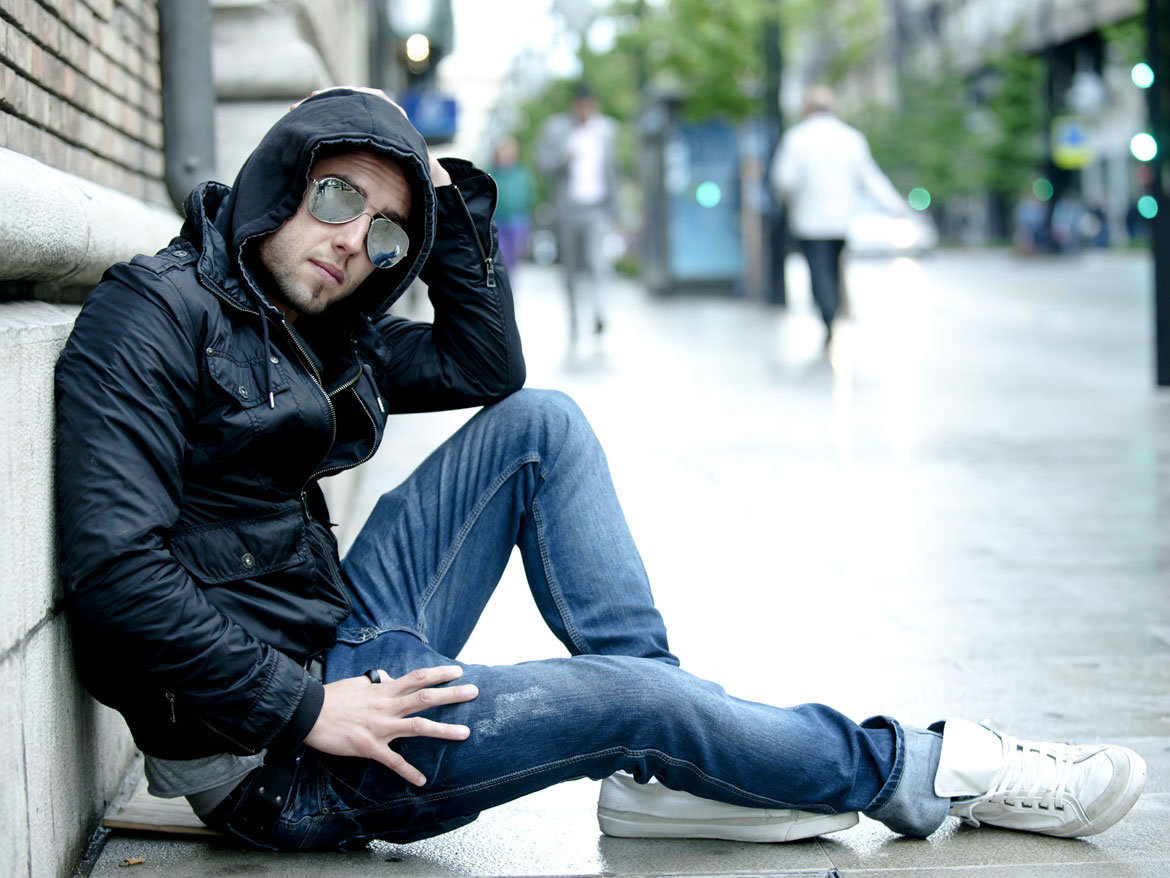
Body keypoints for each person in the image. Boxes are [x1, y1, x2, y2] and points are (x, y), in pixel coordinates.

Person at [55, 87, 1145, 854]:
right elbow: (113, 576)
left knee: (543, 425)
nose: (353, 245)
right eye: (338, 199)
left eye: (385, 237)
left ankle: (659, 764)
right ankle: (928, 765)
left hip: (337, 636)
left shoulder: (316, 320)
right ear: (278, 179)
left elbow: (489, 368)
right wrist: (303, 709)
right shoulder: (150, 316)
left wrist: (441, 206)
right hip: (281, 757)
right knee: (633, 696)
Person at [770, 85, 907, 346]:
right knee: (833, 266)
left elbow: (784, 180)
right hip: (841, 220)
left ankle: (828, 315)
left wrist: (787, 199)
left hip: (809, 221)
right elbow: (871, 176)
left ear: (807, 108)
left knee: (818, 270)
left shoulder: (797, 138)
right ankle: (833, 310)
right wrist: (895, 205)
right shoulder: (851, 138)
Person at [536, 84, 620, 341]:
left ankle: (599, 313)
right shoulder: (556, 129)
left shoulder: (607, 130)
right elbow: (541, 164)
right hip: (567, 209)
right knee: (570, 268)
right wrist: (564, 159)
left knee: (598, 262)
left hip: (596, 208)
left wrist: (617, 211)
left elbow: (614, 172)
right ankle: (573, 317)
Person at [487, 136, 534, 273]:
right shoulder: (489, 173)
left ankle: (509, 283)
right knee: (502, 258)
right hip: (496, 221)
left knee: (515, 258)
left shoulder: (522, 173)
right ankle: (504, 282)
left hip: (518, 221)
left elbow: (530, 197)